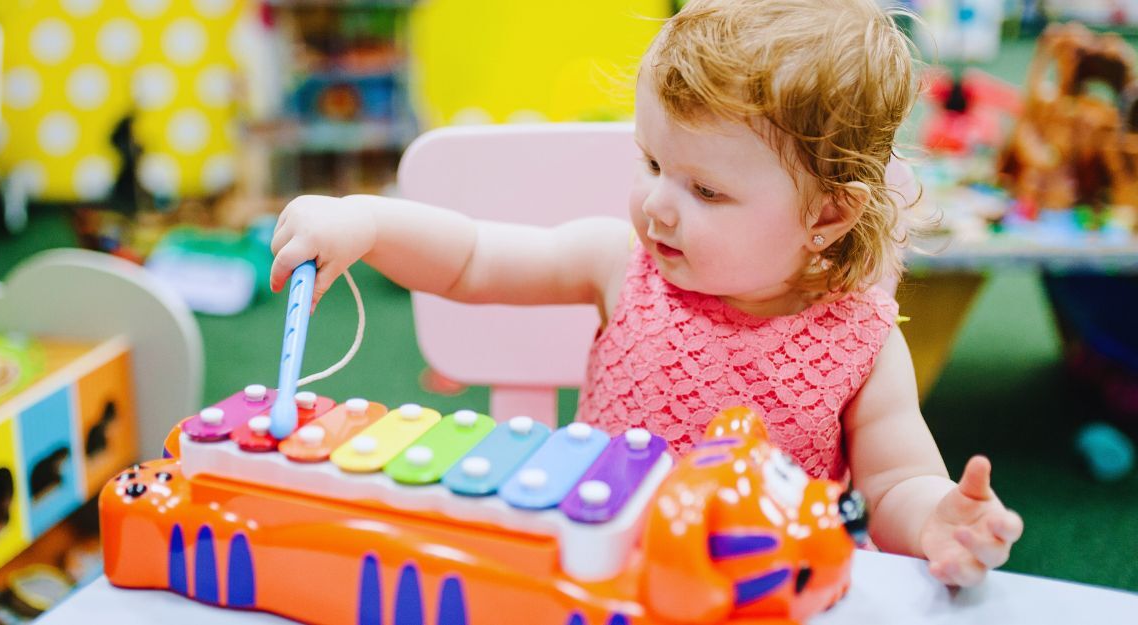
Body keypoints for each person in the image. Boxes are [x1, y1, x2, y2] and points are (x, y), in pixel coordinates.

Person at [270, 0, 1023, 588]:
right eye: (653, 161)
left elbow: (896, 483)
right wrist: (364, 220)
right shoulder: (620, 264)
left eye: (705, 189)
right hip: (598, 579)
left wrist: (936, 520)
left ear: (828, 214)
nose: (659, 203)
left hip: (760, 595)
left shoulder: (860, 339)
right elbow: (472, 258)